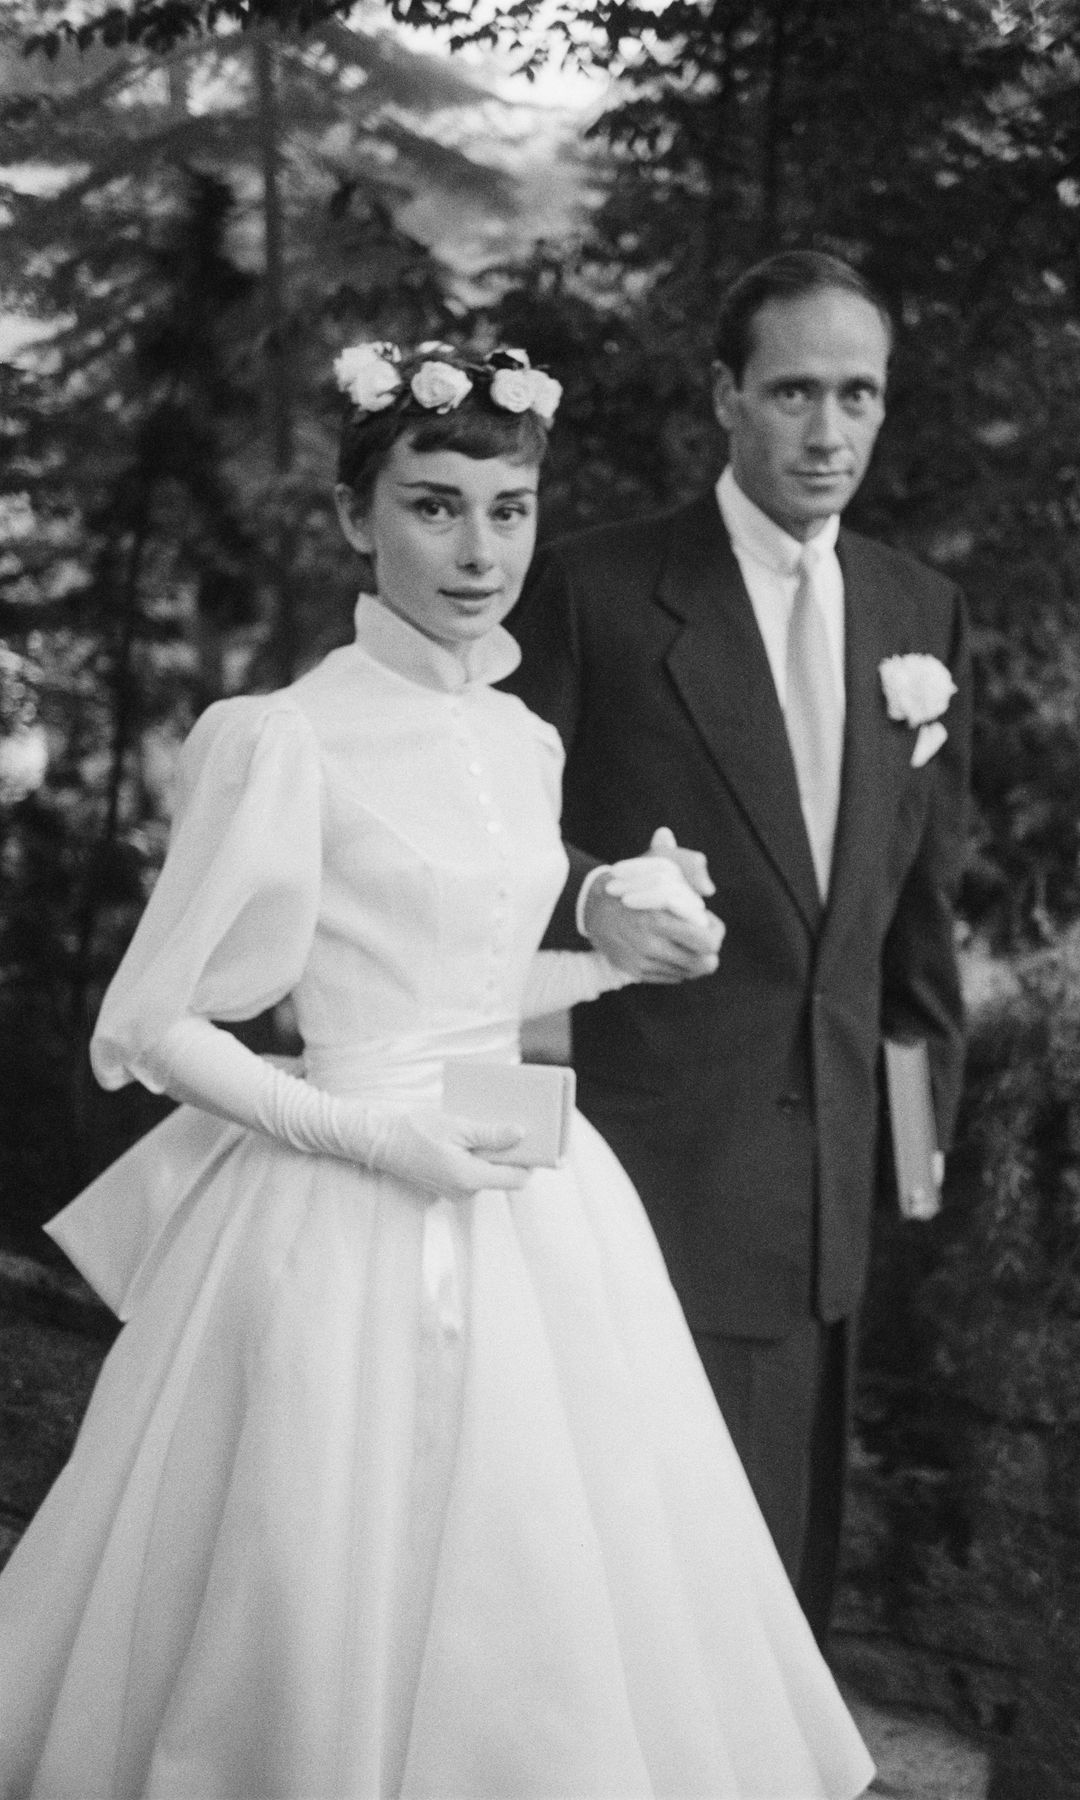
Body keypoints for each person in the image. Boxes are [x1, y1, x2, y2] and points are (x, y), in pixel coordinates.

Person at [0, 338, 874, 1799]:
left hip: (529, 1186)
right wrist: (361, 1139)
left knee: (545, 1572)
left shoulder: (521, 739)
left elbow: (463, 993)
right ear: (357, 518)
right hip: (340, 1212)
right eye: (434, 504)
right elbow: (154, 1027)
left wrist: (610, 957)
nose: (479, 549)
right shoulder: (281, 738)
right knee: (324, 1567)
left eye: (509, 508)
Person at [504, 250, 972, 1645]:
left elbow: (919, 923)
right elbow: (488, 850)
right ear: (725, 394)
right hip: (646, 1165)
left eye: (858, 395)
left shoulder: (919, 615)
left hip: (835, 1184)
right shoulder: (594, 592)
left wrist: (915, 1143)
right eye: (793, 393)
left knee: (783, 1592)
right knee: (649, 1590)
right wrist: (603, 895)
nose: (828, 432)